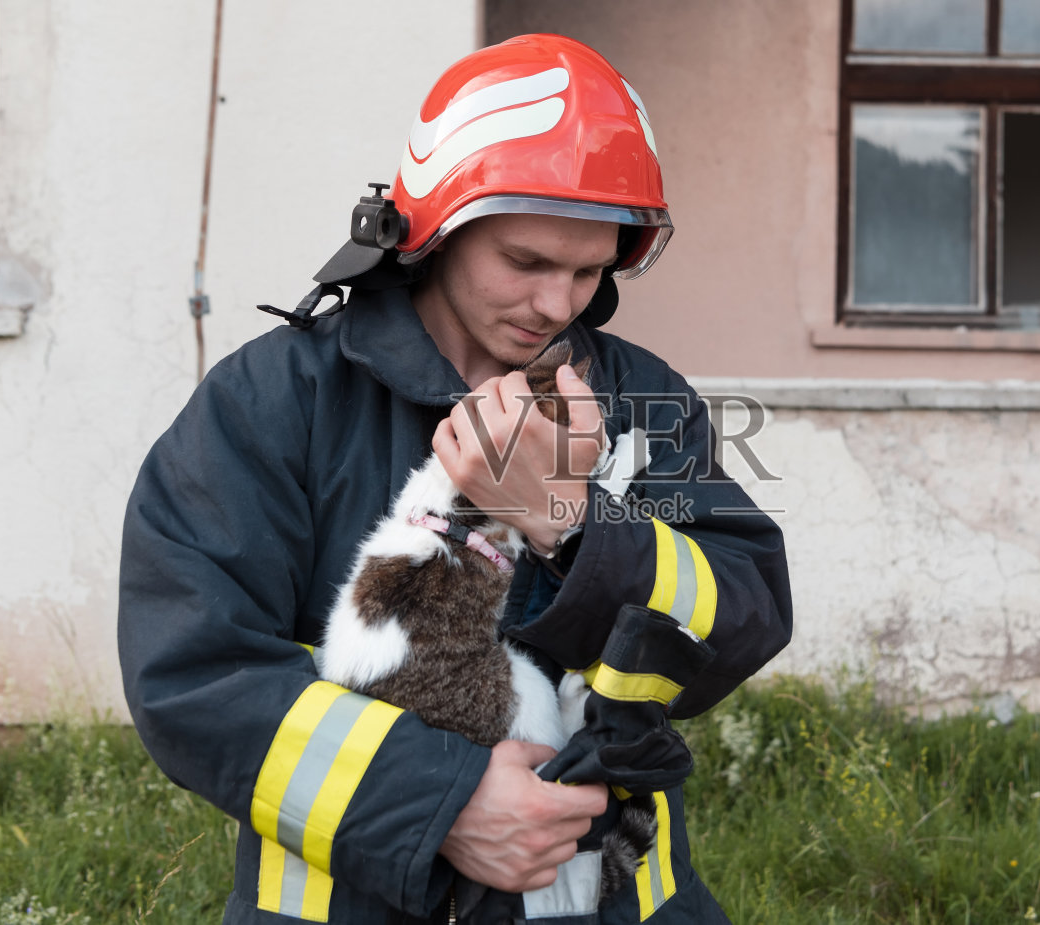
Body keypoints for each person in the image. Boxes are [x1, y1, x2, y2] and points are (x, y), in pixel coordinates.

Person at [118, 33, 792, 924]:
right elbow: (194, 670)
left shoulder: (640, 398)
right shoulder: (275, 400)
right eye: (527, 262)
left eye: (589, 270)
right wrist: (446, 804)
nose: (558, 304)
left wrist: (568, 521)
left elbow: (739, 616)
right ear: (436, 229)